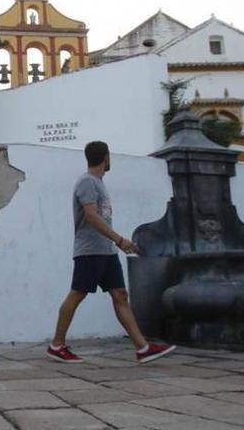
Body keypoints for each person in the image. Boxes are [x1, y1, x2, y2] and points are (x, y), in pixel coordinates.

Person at [46, 141, 175, 364]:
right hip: (90, 251)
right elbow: (92, 216)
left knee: (120, 295)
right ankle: (57, 345)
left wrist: (115, 243)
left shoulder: (98, 183)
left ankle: (143, 348)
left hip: (106, 251)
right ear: (105, 157)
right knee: (77, 294)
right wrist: (120, 240)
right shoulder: (87, 182)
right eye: (109, 156)